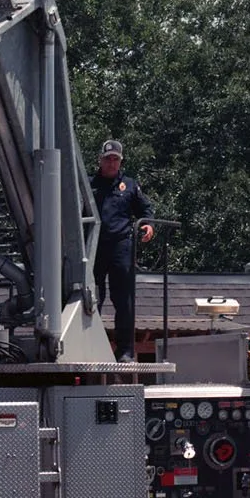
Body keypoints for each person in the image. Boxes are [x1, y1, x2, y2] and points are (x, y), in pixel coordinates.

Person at [90, 139, 155, 358]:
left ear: (120, 161)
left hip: (121, 247)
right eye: (107, 159)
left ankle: (125, 350)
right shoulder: (88, 184)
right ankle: (92, 346)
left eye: (115, 159)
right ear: (100, 160)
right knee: (92, 298)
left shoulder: (129, 185)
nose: (111, 163)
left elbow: (145, 208)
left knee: (124, 300)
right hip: (93, 246)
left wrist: (148, 224)